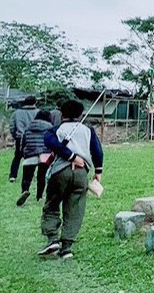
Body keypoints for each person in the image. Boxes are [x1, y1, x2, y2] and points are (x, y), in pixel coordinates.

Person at [38, 99, 104, 260]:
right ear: (81, 114)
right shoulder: (88, 130)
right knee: (75, 209)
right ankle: (66, 247)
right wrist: (98, 171)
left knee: (52, 204)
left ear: (62, 114)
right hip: (81, 173)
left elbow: (49, 141)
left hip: (60, 171)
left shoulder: (57, 129)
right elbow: (97, 151)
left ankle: (52, 239)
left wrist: (70, 155)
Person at [16, 110, 54, 207]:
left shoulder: (28, 126)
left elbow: (23, 141)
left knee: (26, 177)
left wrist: (23, 152)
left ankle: (24, 191)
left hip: (30, 153)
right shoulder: (50, 127)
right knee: (41, 177)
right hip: (44, 154)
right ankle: (39, 196)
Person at [8, 96, 39, 182]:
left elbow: (12, 126)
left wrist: (15, 136)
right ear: (35, 102)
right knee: (35, 156)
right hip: (35, 138)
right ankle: (34, 174)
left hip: (20, 137)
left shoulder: (17, 113)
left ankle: (13, 175)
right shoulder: (39, 112)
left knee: (17, 157)